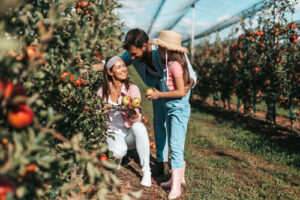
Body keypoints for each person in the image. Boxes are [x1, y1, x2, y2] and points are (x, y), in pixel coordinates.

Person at [120, 29, 197, 176]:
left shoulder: (165, 46)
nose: (132, 57)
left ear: (144, 46)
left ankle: (175, 168)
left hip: (175, 93)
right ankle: (162, 162)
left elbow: (190, 72)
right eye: (130, 54)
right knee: (159, 123)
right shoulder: (132, 54)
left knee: (175, 133)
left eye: (134, 54)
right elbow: (115, 62)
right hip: (158, 90)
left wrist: (186, 85)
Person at [146, 30, 191, 199]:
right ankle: (175, 179)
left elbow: (180, 92)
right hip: (171, 109)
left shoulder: (175, 66)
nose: (158, 50)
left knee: (176, 147)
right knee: (174, 145)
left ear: (169, 50)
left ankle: (177, 187)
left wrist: (159, 95)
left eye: (161, 48)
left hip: (178, 110)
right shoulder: (167, 64)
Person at [97, 56, 151, 187]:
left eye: (124, 66)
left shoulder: (132, 89)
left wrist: (131, 110)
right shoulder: (102, 91)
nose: (123, 69)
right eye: (118, 67)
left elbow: (136, 118)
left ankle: (146, 171)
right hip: (113, 132)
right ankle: (118, 157)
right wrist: (104, 109)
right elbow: (97, 116)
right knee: (119, 151)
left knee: (140, 127)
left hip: (129, 134)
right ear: (110, 72)